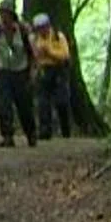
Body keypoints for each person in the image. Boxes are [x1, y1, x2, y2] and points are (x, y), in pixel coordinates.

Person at [0, 3, 38, 147]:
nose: (3, 17)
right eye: (1, 13)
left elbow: (33, 52)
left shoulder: (23, 30)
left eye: (5, 14)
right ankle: (7, 136)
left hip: (21, 71)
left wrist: (34, 70)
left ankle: (31, 134)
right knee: (4, 105)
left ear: (11, 15)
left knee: (24, 106)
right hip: (2, 71)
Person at [30, 12, 78, 140]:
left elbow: (65, 55)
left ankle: (65, 130)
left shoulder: (58, 37)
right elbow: (33, 56)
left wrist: (49, 52)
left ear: (48, 25)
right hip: (43, 70)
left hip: (59, 70)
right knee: (43, 102)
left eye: (43, 27)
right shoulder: (34, 39)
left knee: (62, 101)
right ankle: (45, 131)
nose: (41, 30)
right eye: (38, 28)